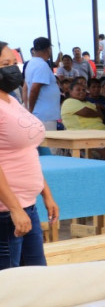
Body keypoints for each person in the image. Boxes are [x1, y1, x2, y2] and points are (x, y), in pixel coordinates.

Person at [0, 74, 57, 269]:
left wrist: (46, 194)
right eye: (3, 64)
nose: (11, 69)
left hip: (28, 206)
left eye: (11, 61)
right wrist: (15, 209)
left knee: (35, 274)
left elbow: (28, 153)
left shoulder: (11, 100)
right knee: (9, 280)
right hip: (7, 211)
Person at [24, 38, 60, 130]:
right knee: (48, 143)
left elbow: (25, 87)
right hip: (45, 116)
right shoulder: (42, 65)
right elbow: (34, 88)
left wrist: (27, 107)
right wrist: (31, 109)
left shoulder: (30, 63)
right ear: (48, 49)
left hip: (39, 114)